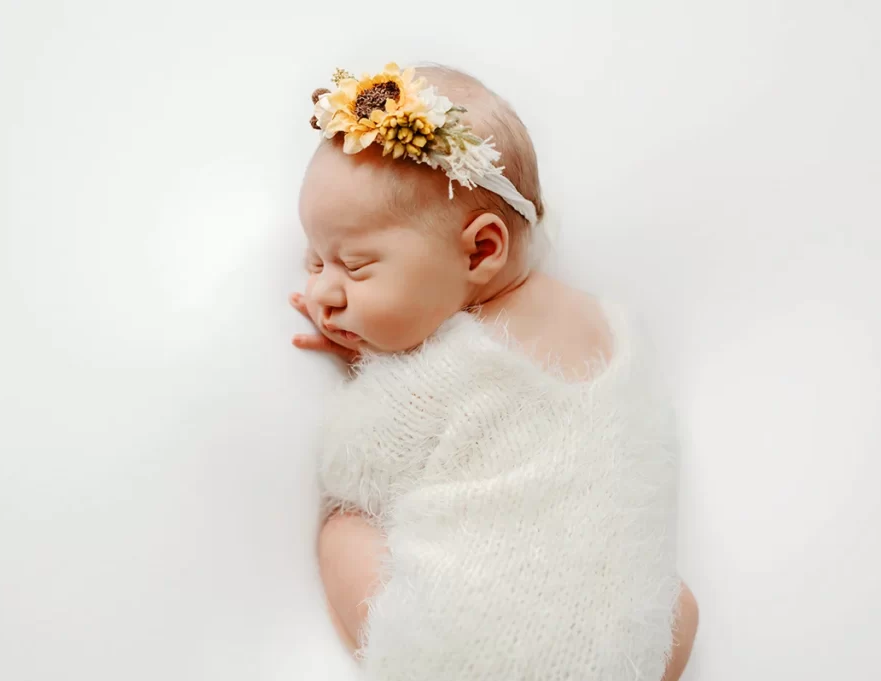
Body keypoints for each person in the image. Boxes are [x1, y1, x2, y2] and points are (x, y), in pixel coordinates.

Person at [291, 62, 698, 680]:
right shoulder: (622, 335)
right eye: (313, 261)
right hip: (622, 659)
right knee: (678, 605)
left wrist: (376, 368)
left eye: (355, 266)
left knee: (344, 527)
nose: (322, 292)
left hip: (464, 657)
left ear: (481, 250)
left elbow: (351, 464)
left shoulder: (444, 369)